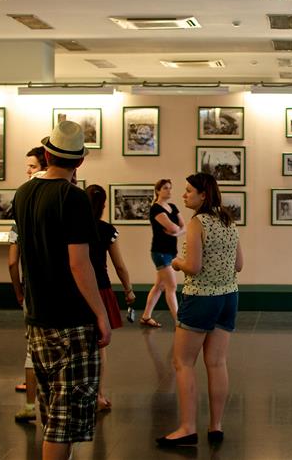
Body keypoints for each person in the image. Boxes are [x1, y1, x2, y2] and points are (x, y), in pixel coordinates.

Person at [12, 121, 111, 460]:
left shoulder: (23, 193)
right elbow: (79, 264)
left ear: (47, 153)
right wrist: (101, 314)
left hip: (37, 317)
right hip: (71, 321)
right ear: (80, 161)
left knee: (50, 409)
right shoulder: (73, 198)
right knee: (63, 421)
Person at [157, 173, 243, 447]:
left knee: (183, 363)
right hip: (228, 297)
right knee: (217, 363)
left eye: (188, 191)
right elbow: (239, 264)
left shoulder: (197, 223)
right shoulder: (228, 220)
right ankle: (216, 426)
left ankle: (187, 428)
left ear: (203, 195)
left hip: (201, 299)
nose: (183, 195)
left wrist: (177, 263)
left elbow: (193, 267)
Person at [85, 184, 136, 411]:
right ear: (104, 205)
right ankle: (98, 396)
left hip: (76, 290)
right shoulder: (107, 230)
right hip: (101, 289)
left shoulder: (72, 227)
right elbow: (119, 266)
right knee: (100, 346)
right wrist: (128, 290)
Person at [9, 146, 47, 422]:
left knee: (33, 348)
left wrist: (18, 290)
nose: (28, 171)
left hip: (33, 290)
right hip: (59, 290)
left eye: (32, 166)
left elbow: (12, 261)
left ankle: (32, 406)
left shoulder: (21, 212)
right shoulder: (63, 204)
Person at [141, 179, 185, 328]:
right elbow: (173, 227)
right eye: (165, 188)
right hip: (160, 252)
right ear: (158, 191)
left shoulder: (173, 207)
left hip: (171, 252)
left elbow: (183, 227)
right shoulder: (155, 208)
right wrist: (177, 230)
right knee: (171, 286)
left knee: (159, 286)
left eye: (170, 188)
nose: (169, 190)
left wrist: (177, 232)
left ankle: (146, 316)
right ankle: (179, 321)